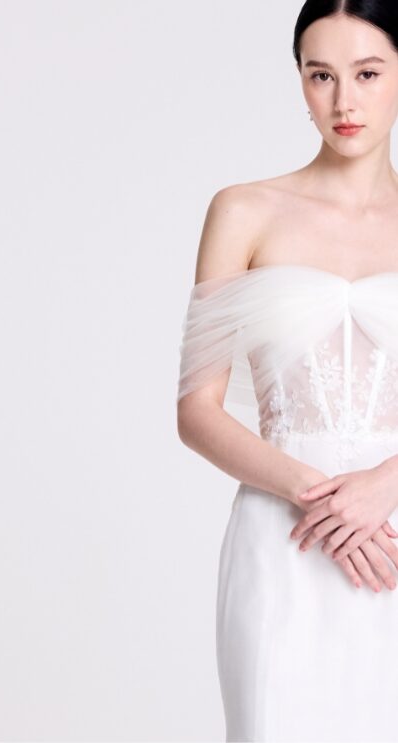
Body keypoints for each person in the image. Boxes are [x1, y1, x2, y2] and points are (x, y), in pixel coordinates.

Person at [176, 2, 398, 741]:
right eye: (321, 75)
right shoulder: (243, 210)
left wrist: (384, 484)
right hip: (283, 535)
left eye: (368, 73)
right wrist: (319, 498)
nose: (344, 101)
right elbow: (197, 411)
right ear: (300, 82)